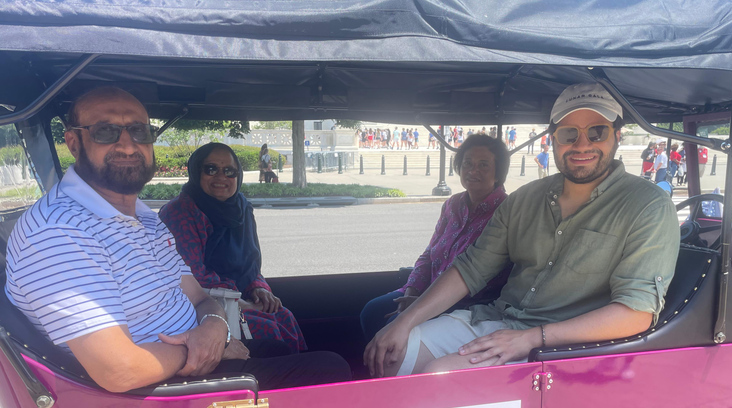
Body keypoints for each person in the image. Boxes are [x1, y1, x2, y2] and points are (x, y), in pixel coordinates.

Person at [4, 86, 350, 392]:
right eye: (107, 131)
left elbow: (199, 296)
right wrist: (204, 347)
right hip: (163, 392)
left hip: (198, 357)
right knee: (333, 369)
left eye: (139, 131)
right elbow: (119, 370)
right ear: (74, 142)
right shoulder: (59, 231)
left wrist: (214, 327)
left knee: (280, 347)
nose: (127, 144)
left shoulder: (142, 217)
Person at [363, 82, 679, 378]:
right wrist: (405, 321)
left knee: (440, 374)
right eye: (569, 133)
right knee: (391, 353)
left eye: (597, 132)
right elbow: (471, 268)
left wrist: (530, 338)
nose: (582, 144)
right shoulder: (526, 198)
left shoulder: (647, 205)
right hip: (497, 320)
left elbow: (636, 312)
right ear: (553, 138)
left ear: (617, 136)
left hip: (567, 344)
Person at [359, 134, 512, 344]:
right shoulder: (453, 205)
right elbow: (429, 255)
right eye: (467, 163)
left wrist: (421, 304)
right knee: (371, 311)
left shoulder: (506, 211)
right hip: (424, 290)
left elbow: (490, 280)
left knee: (393, 328)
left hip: (464, 303)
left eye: (483, 165)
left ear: (498, 172)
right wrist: (412, 290)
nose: (473, 170)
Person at [159, 142, 306, 355]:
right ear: (196, 171)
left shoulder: (242, 209)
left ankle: (303, 384)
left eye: (229, 171)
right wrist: (239, 302)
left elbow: (250, 263)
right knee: (267, 329)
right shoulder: (179, 213)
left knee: (284, 316)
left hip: (239, 298)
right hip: (203, 306)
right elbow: (190, 276)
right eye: (210, 169)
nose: (221, 177)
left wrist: (258, 289)